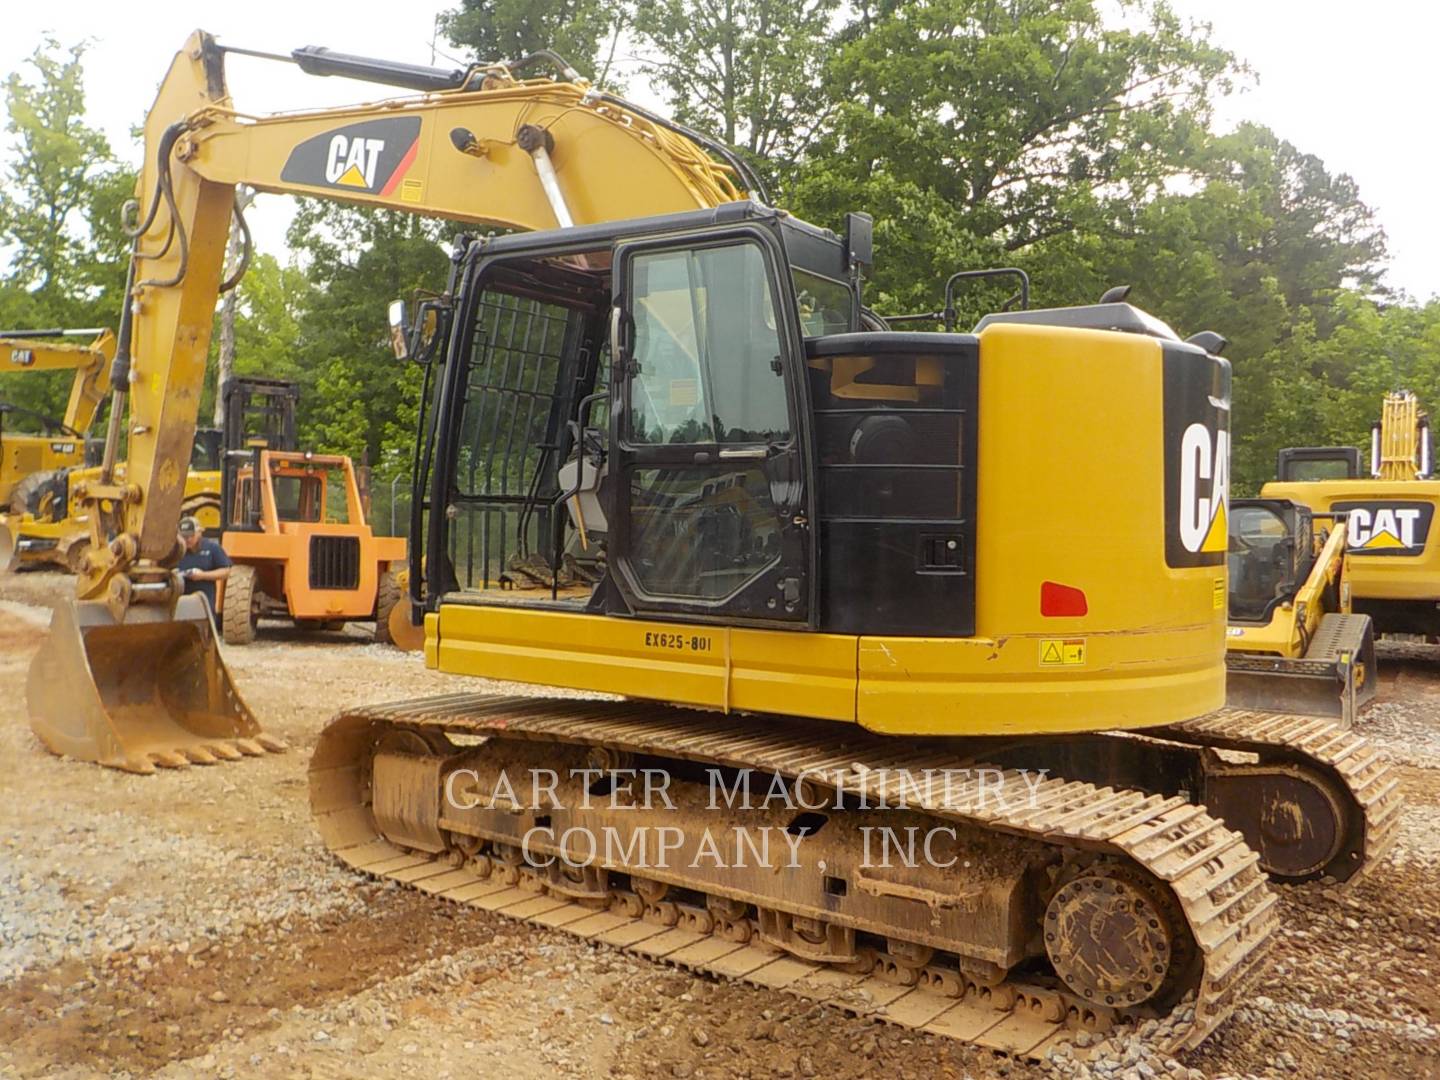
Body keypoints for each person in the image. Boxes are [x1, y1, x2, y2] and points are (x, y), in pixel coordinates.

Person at [177, 516, 232, 623]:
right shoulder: (176, 551)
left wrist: (202, 575)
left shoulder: (212, 548)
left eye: (191, 536)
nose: (187, 540)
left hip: (204, 603)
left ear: (199, 533)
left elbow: (226, 571)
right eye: (184, 537)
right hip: (180, 602)